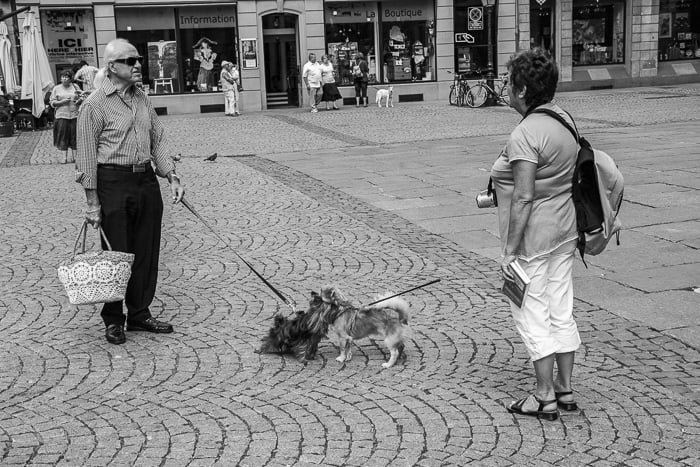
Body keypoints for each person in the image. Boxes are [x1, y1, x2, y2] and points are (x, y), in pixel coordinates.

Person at [75, 38, 185, 345]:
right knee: (117, 254)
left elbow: (158, 139)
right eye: (131, 60)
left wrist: (171, 175)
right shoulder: (94, 105)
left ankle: (139, 313)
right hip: (113, 182)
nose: (138, 65)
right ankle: (113, 319)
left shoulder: (142, 99)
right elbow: (85, 157)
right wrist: (92, 202)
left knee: (145, 251)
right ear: (113, 67)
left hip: (145, 181)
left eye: (138, 60)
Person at [491, 49, 581, 421]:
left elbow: (524, 195)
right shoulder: (563, 118)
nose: (506, 88)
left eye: (510, 82)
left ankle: (543, 396)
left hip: (533, 240)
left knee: (532, 313)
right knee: (561, 310)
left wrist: (510, 251)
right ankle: (565, 389)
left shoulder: (526, 133)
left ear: (523, 89)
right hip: (565, 230)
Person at [49, 70, 82, 163]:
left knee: (75, 135)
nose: (64, 79)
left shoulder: (75, 87)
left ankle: (75, 157)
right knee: (63, 135)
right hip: (62, 116)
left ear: (70, 78)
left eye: (66, 77)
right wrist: (62, 102)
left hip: (75, 115)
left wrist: (78, 101)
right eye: (62, 77)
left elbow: (81, 97)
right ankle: (64, 157)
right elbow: (52, 102)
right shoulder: (56, 88)